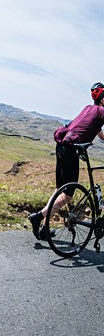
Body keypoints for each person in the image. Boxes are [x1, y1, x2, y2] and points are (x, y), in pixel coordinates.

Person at [29, 82, 104, 240]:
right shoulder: (102, 111)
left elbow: (99, 133)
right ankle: (38, 217)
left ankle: (44, 229)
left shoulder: (89, 109)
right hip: (71, 151)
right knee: (67, 195)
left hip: (61, 146)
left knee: (59, 190)